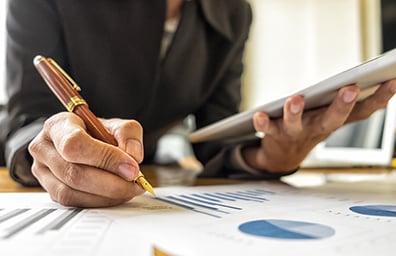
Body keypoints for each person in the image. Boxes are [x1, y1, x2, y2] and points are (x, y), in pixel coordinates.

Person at [1, 0, 395, 208]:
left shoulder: (234, 13)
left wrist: (274, 157)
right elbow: (27, 116)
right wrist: (53, 142)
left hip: (136, 170)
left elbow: (215, 134)